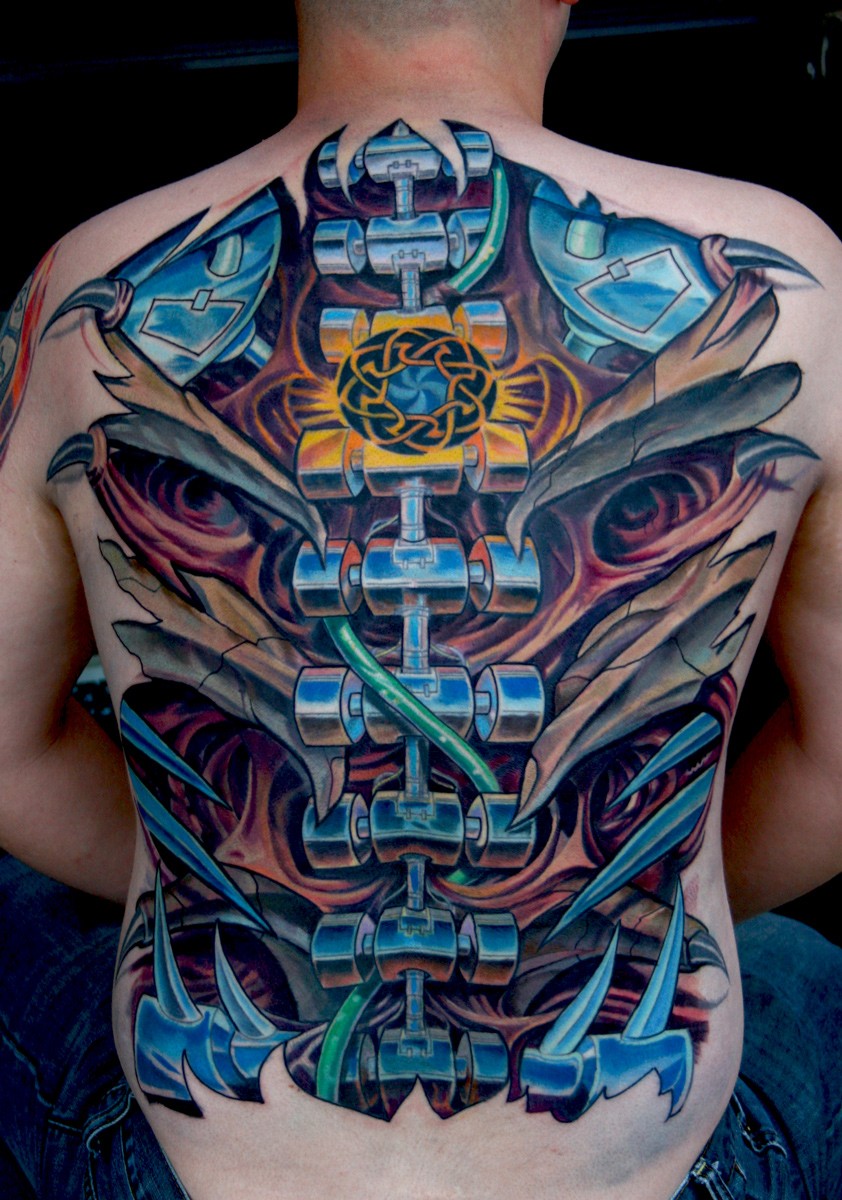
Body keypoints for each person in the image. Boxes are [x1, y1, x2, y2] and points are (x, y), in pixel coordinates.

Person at [0, 2, 840, 1197]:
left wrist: (231, 884)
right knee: (799, 966)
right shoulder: (788, 278)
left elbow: (8, 754)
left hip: (198, 1163)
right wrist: (625, 899)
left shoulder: (86, 291)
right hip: (650, 1165)